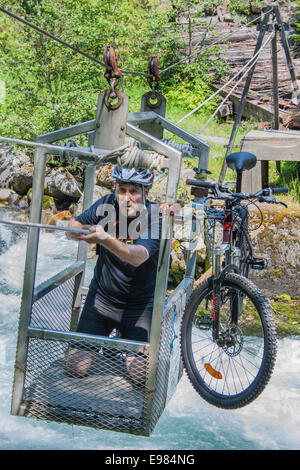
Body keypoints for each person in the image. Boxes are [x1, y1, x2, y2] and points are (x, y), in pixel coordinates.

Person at [65, 166, 162, 384]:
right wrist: (84, 232)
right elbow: (71, 228)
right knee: (75, 367)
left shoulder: (154, 216)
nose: (126, 198)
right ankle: (104, 343)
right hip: (102, 299)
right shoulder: (107, 203)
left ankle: (122, 344)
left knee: (140, 376)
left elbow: (137, 256)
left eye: (133, 191)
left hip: (139, 306)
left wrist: (105, 239)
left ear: (146, 191)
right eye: (122, 190)